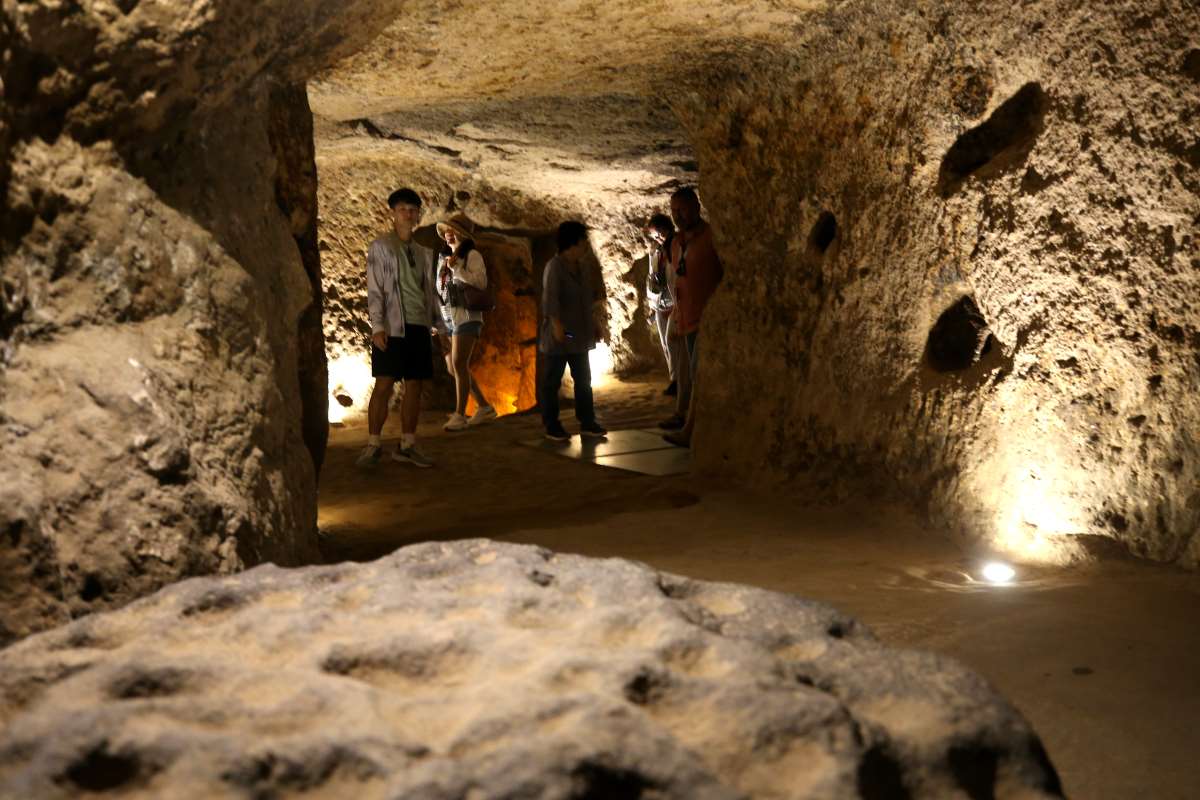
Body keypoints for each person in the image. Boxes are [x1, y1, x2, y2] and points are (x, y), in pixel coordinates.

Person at [355, 187, 444, 469]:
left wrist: (439, 325)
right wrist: (377, 326)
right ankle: (373, 444)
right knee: (384, 384)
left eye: (413, 209)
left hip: (418, 325)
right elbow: (375, 289)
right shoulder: (381, 247)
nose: (409, 213)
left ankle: (407, 444)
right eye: (404, 208)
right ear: (392, 213)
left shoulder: (424, 252)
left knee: (414, 385)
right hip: (393, 325)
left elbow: (430, 292)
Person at [659, 187, 723, 448]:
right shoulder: (675, 243)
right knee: (688, 374)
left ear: (696, 207)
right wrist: (675, 314)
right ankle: (686, 420)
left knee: (699, 375)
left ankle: (690, 431)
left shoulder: (712, 237)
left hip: (707, 318)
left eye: (682, 209)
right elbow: (677, 280)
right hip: (685, 318)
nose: (678, 216)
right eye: (673, 211)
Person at [538, 221, 608, 442]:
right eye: (583, 241)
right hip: (563, 335)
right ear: (573, 243)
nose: (586, 245)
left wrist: (595, 325)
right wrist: (558, 327)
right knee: (552, 381)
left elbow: (587, 300)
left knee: (583, 379)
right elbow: (550, 299)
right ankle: (552, 425)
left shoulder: (582, 267)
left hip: (577, 334)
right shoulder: (554, 267)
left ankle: (587, 422)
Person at [434, 214, 498, 432]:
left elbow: (480, 282)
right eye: (445, 230)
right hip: (448, 317)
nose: (447, 234)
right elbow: (440, 290)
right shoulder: (443, 258)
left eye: (452, 230)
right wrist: (436, 318)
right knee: (453, 367)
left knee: (460, 362)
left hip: (467, 316)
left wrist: (456, 269)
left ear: (463, 234)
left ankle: (460, 415)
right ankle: (484, 407)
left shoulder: (472, 255)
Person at [645, 213, 682, 397]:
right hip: (660, 304)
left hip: (676, 303)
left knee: (671, 341)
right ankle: (674, 380)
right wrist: (652, 307)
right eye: (654, 236)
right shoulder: (656, 253)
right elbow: (651, 279)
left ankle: (678, 381)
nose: (657, 238)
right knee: (666, 344)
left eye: (659, 233)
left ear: (667, 228)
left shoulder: (677, 247)